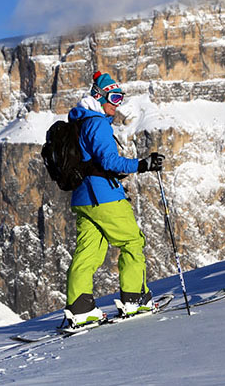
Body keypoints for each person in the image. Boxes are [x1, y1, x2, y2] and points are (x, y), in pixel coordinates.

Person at [64, 71, 165, 328]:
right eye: (114, 97)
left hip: (83, 199)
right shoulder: (97, 123)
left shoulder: (80, 121)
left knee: (88, 253)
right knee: (132, 240)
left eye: (120, 98)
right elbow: (108, 161)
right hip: (105, 197)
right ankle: (134, 299)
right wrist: (142, 164)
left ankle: (81, 308)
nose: (117, 104)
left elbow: (92, 162)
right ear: (99, 96)